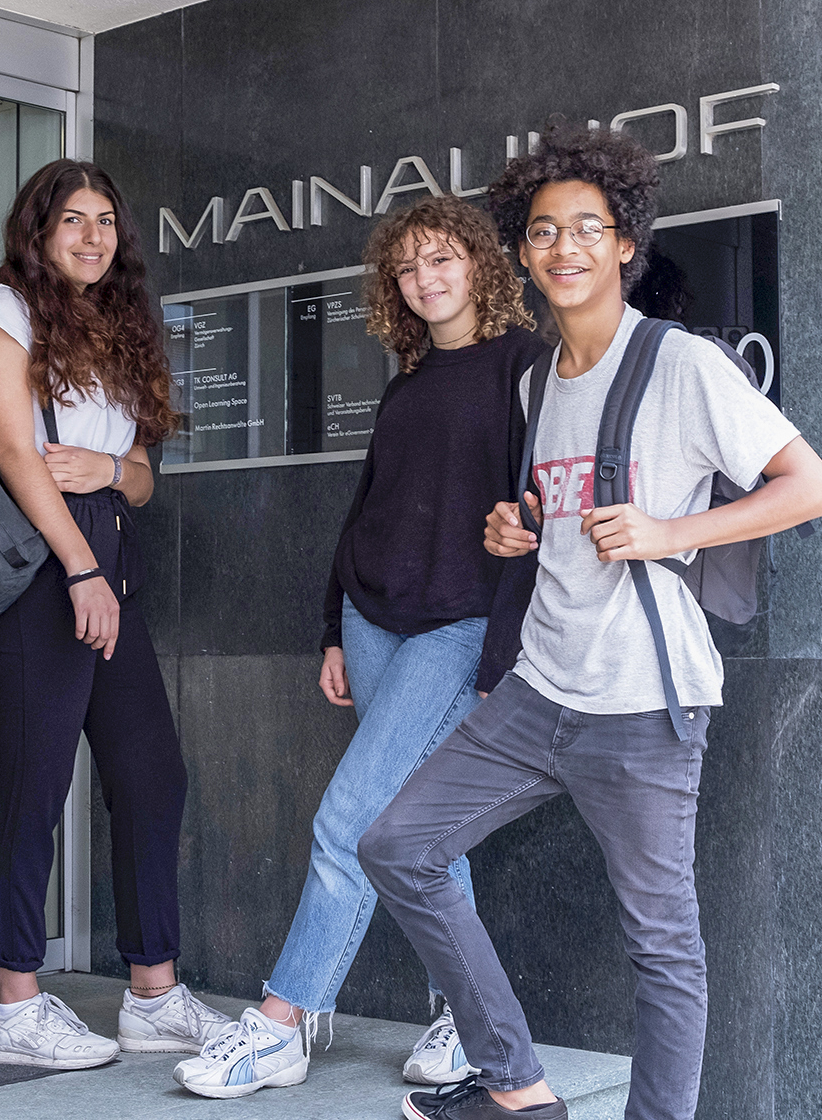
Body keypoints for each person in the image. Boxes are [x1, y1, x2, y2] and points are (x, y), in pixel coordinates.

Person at [357, 124, 822, 1120]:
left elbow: (812, 487)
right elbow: (560, 510)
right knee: (397, 845)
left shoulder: (682, 367)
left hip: (645, 701)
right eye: (543, 232)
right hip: (539, 690)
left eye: (589, 228)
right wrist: (517, 529)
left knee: (662, 945)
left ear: (625, 243)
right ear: (522, 252)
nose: (565, 248)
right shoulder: (539, 381)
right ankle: (519, 1090)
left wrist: (672, 530)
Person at [173, 195, 545, 1099]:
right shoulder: (407, 383)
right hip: (376, 620)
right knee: (421, 825)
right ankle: (472, 1017)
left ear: (480, 265)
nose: (426, 278)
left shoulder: (526, 368)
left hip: (459, 628)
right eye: (409, 267)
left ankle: (281, 1024)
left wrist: (500, 658)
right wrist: (334, 624)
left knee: (352, 822)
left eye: (442, 258)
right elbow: (366, 511)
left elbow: (541, 521)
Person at [0, 158, 231, 1069]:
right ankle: (14, 1004)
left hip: (108, 555)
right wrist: (78, 568)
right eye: (72, 219)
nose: (92, 235)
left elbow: (142, 474)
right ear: (37, 230)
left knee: (153, 773)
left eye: (106, 219)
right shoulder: (5, 313)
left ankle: (152, 993)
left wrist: (108, 475)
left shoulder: (115, 327)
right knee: (33, 779)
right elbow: (12, 450)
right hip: (44, 567)